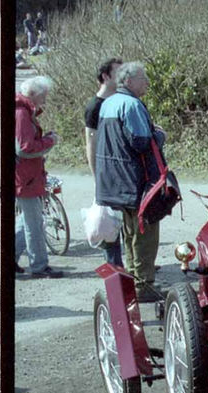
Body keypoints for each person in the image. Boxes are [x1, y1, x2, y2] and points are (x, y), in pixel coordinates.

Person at [95, 61, 166, 301]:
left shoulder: (108, 104)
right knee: (146, 232)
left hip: (115, 181)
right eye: (143, 78)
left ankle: (135, 278)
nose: (147, 82)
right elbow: (141, 142)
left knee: (129, 233)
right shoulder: (131, 105)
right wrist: (159, 135)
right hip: (135, 180)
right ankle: (144, 287)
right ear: (129, 81)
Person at [15, 76, 64, 278]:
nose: (46, 99)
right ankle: (39, 266)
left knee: (26, 221)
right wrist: (49, 141)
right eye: (44, 95)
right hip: (26, 176)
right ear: (34, 94)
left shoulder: (23, 110)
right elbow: (25, 148)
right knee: (34, 223)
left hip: (26, 176)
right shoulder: (21, 112)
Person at [85, 57, 125, 267]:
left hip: (122, 171)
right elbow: (90, 143)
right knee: (108, 223)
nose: (122, 77)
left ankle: (133, 264)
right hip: (106, 173)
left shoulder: (119, 100)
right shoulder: (94, 107)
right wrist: (96, 178)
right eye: (117, 73)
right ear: (105, 76)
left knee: (126, 218)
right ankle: (114, 267)